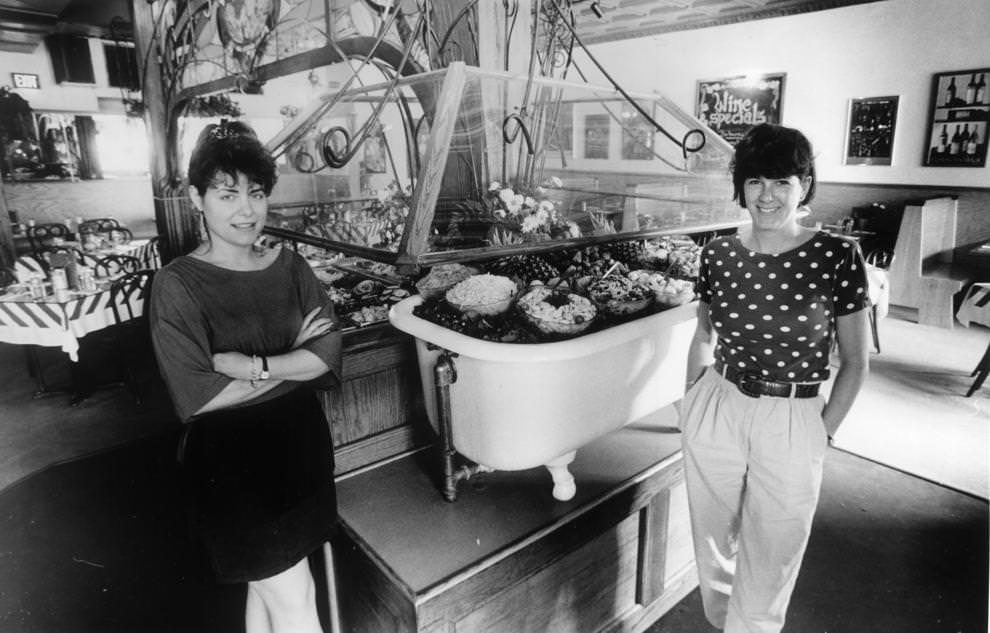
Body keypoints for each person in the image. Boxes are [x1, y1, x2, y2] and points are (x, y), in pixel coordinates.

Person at [150, 119, 342, 633]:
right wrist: (295, 361)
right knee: (296, 599)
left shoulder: (291, 267)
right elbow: (196, 395)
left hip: (301, 448)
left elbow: (328, 351)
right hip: (234, 467)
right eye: (227, 194)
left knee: (269, 591)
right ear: (196, 198)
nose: (246, 210)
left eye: (256, 194)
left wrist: (254, 367)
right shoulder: (177, 285)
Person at [680, 123, 870, 633]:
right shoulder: (716, 253)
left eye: (783, 181)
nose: (768, 195)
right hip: (717, 405)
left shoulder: (837, 255)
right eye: (757, 180)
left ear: (804, 185)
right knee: (713, 540)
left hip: (793, 414)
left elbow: (856, 361)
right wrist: (691, 401)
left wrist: (821, 431)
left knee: (775, 546)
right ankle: (725, 624)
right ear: (741, 187)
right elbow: (704, 334)